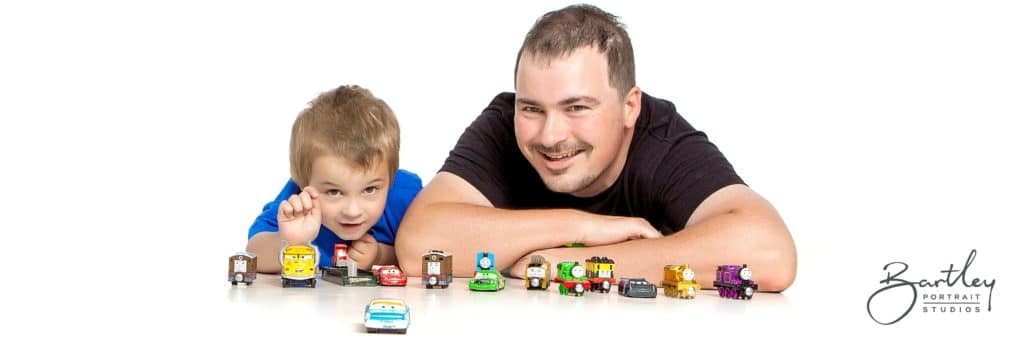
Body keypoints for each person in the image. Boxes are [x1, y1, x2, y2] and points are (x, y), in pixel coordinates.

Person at [396, 4, 796, 291]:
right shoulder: (502, 124)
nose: (550, 136)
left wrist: (573, 264)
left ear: (629, 107)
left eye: (577, 108)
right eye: (532, 108)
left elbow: (769, 253)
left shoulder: (661, 139)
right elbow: (419, 244)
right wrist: (584, 227)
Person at [246, 85, 422, 273]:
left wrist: (381, 255)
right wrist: (290, 242)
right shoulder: (298, 200)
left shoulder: (406, 194)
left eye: (370, 190)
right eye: (334, 192)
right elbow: (253, 253)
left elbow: (425, 252)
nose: (353, 211)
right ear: (304, 183)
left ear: (391, 177)